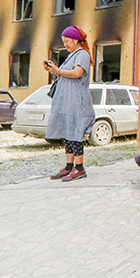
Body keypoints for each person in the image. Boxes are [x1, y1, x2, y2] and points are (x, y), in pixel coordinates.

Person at [44, 25, 96, 182]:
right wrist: (54, 69)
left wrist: (58, 71)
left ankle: (79, 169)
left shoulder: (82, 55)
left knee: (75, 134)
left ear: (75, 40)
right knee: (68, 133)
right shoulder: (72, 55)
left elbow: (77, 73)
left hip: (76, 103)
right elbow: (66, 74)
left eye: (67, 41)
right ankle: (68, 167)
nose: (65, 44)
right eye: (63, 41)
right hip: (67, 102)